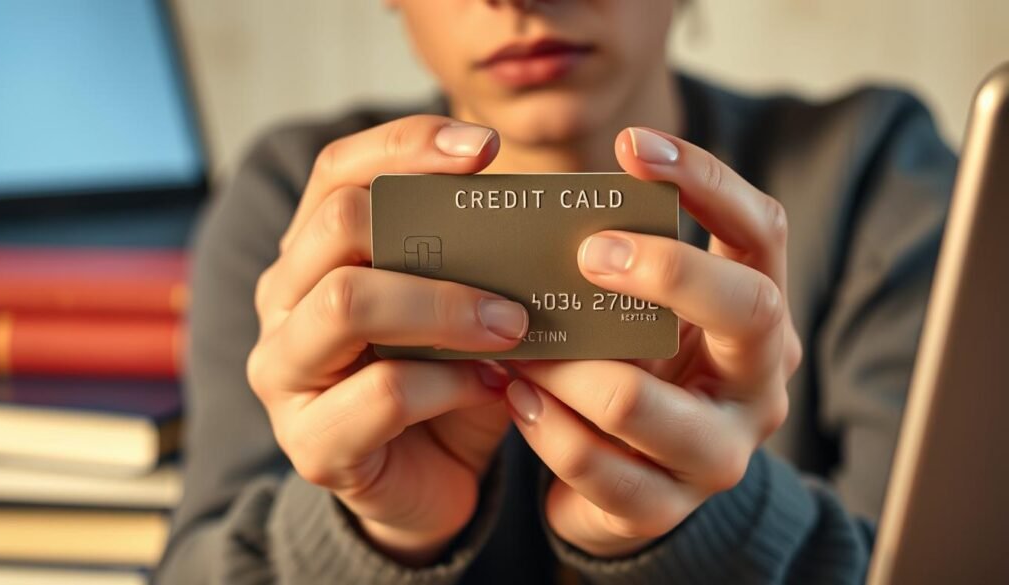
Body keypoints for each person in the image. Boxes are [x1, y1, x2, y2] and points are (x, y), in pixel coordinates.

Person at [156, 1, 956, 583]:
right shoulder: (300, 198)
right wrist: (376, 529)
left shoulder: (873, 173)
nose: (517, 1)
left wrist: (706, 518)